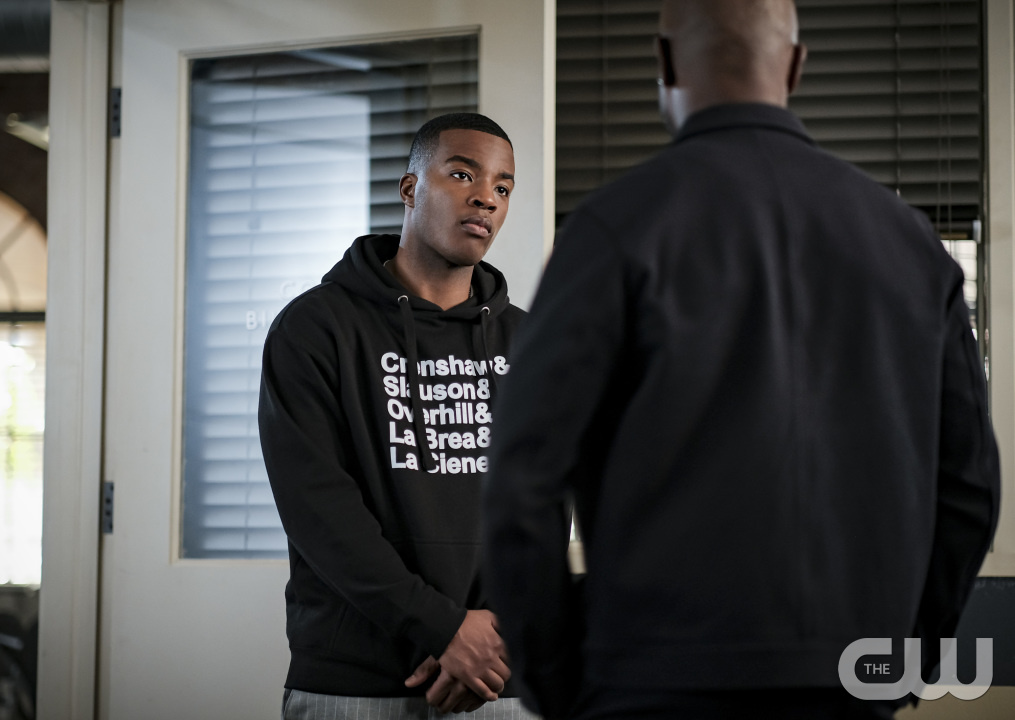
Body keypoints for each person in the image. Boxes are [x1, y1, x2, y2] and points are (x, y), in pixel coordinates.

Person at [482, 1, 1001, 719]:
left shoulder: (614, 227)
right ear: (796, 65)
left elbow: (522, 479)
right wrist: (899, 661)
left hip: (650, 682)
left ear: (664, 63)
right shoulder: (910, 242)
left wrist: (557, 678)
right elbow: (969, 487)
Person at [259, 113, 534, 719]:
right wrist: (442, 628)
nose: (486, 197)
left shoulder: (529, 341)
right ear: (410, 188)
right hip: (356, 679)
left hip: (497, 675)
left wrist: (495, 635)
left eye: (503, 186)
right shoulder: (315, 329)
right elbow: (319, 509)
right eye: (462, 174)